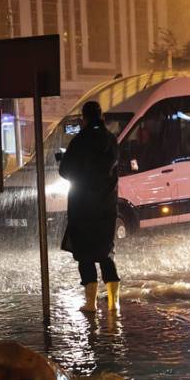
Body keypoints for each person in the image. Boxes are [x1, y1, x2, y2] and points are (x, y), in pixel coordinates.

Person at [59, 101, 122, 313]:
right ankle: (114, 303)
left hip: (83, 205)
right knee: (105, 251)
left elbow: (65, 171)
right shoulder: (111, 140)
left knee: (85, 253)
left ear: (84, 118)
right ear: (101, 116)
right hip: (106, 205)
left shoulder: (80, 140)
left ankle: (91, 303)